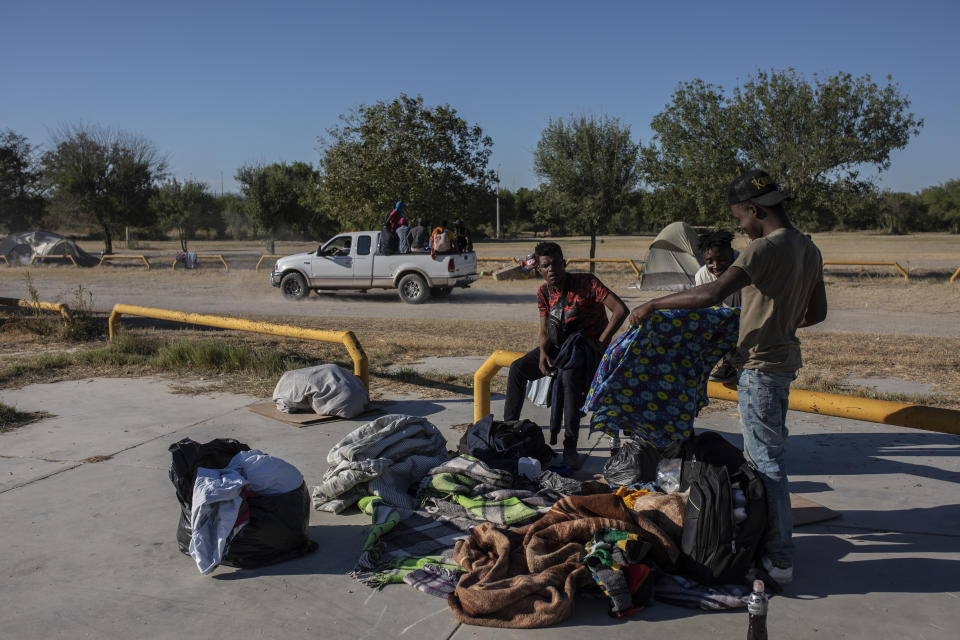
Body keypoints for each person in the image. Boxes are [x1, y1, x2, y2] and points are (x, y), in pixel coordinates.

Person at [627, 169, 827, 585]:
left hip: (759, 369)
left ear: (753, 210)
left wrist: (654, 305)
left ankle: (780, 558)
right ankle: (770, 547)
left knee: (766, 463)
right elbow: (816, 314)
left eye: (739, 217)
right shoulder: (808, 248)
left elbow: (711, 293)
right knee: (765, 458)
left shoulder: (760, 249)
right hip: (784, 362)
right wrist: (776, 323)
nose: (739, 225)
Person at [504, 242, 628, 467]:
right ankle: (508, 430)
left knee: (569, 376)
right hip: (559, 346)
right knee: (517, 369)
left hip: (586, 348)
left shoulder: (587, 282)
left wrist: (602, 341)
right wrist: (542, 352)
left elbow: (620, 310)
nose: (551, 269)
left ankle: (570, 445)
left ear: (563, 262)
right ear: (539, 270)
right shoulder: (543, 292)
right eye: (545, 266)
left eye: (555, 263)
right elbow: (545, 329)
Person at [695, 230, 741, 382]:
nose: (716, 266)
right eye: (709, 261)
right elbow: (704, 308)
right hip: (724, 320)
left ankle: (734, 361)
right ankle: (727, 362)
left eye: (722, 259)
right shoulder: (702, 275)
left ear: (731, 253)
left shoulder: (744, 266)